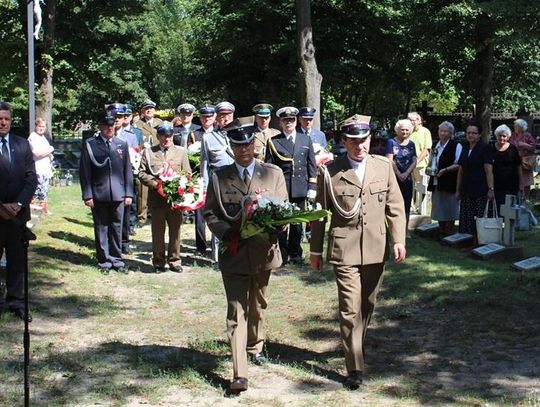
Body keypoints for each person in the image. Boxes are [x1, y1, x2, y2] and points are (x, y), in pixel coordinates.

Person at [310, 115, 406, 390]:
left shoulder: (383, 166)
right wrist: (315, 250)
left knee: (367, 305)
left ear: (370, 141)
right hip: (344, 249)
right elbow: (319, 215)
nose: (359, 146)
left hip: (376, 247)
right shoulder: (330, 171)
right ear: (343, 142)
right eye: (353, 141)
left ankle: (356, 346)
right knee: (350, 309)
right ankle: (355, 367)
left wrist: (398, 240)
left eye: (363, 140)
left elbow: (395, 206)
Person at [204, 117, 288, 393]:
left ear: (255, 144)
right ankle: (239, 373)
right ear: (231, 146)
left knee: (258, 304)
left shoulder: (273, 174)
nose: (243, 150)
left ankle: (255, 344)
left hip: (264, 251)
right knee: (236, 310)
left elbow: (285, 212)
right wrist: (226, 233)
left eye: (248, 144)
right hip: (235, 253)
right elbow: (210, 213)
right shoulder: (219, 177)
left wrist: (273, 225)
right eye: (237, 144)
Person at [79, 112, 134, 273]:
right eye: (106, 125)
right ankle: (104, 261)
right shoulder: (91, 144)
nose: (110, 128)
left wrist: (129, 193)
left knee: (117, 227)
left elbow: (127, 170)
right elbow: (85, 171)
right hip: (99, 193)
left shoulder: (121, 144)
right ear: (100, 127)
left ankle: (117, 260)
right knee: (101, 227)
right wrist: (87, 194)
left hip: (119, 193)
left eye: (112, 125)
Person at [0, 101, 37, 322]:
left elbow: (31, 178)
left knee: (17, 260)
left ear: (11, 121)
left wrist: (19, 204)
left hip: (17, 216)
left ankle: (15, 300)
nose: (2, 123)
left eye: (6, 119)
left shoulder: (22, 145)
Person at [265, 106, 317, 265]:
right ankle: (282, 253)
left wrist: (312, 188)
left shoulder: (305, 139)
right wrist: (269, 189)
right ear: (280, 122)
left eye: (291, 120)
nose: (289, 123)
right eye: (285, 120)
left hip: (300, 187)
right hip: (282, 188)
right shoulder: (274, 141)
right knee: (281, 222)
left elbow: (311, 165)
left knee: (297, 223)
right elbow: (269, 167)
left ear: (296, 121)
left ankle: (295, 253)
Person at [139, 123, 191, 273]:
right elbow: (142, 173)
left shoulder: (181, 152)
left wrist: (179, 186)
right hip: (157, 199)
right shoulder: (149, 152)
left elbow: (187, 173)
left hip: (175, 200)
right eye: (163, 136)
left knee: (175, 231)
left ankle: (175, 260)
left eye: (168, 136)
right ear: (158, 136)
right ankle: (158, 262)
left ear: (172, 136)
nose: (166, 139)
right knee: (157, 232)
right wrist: (155, 184)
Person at [200, 101, 236, 261]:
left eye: (228, 115)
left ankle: (236, 252)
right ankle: (217, 256)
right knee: (218, 219)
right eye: (222, 116)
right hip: (217, 184)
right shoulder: (208, 138)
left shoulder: (240, 135)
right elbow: (205, 164)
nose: (225, 119)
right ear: (216, 118)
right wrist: (205, 189)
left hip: (237, 183)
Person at [455, 121, 494, 236]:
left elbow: (489, 170)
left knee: (479, 215)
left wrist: (491, 188)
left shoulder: (484, 148)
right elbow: (461, 171)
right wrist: (457, 190)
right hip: (466, 188)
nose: (471, 135)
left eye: (474, 133)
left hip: (480, 188)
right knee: (467, 215)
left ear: (479, 135)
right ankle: (466, 239)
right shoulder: (465, 147)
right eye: (468, 133)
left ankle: (479, 240)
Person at [427, 121, 462, 235]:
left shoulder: (456, 145)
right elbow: (432, 161)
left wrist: (445, 170)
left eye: (446, 131)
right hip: (437, 181)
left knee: (450, 208)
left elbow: (459, 164)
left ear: (450, 133)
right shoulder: (436, 145)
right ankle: (441, 231)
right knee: (439, 207)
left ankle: (449, 232)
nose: (443, 133)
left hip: (449, 182)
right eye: (441, 130)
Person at [192, 104, 217, 256]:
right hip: (198, 177)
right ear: (200, 118)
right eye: (203, 117)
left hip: (215, 177)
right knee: (200, 214)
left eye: (209, 116)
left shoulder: (220, 134)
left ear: (214, 118)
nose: (206, 119)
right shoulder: (194, 134)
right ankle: (200, 246)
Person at [135, 99, 163, 228]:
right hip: (144, 157)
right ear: (142, 111)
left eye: (151, 108)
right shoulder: (138, 124)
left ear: (154, 110)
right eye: (146, 108)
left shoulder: (160, 123)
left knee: (160, 185)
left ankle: (159, 212)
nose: (149, 110)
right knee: (143, 189)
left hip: (158, 158)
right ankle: (142, 217)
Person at [385, 119, 417, 234]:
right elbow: (389, 160)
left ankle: (405, 230)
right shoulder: (391, 142)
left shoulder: (412, 144)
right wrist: (399, 174)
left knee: (406, 205)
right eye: (402, 129)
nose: (404, 132)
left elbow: (414, 160)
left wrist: (406, 173)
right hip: (394, 178)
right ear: (397, 130)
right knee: (392, 204)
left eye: (407, 130)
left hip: (407, 179)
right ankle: (393, 229)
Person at [492, 124, 522, 212]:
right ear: (496, 136)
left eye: (504, 136)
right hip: (496, 185)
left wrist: (521, 183)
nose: (501, 138)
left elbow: (519, 166)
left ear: (508, 137)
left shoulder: (513, 149)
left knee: (510, 210)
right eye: (499, 136)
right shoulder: (490, 148)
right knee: (497, 209)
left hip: (511, 184)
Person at [28, 117, 54, 215]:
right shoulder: (33, 137)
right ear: (36, 126)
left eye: (43, 126)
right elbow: (37, 154)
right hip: (38, 169)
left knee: (44, 190)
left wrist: (50, 155)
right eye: (40, 126)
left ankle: (43, 209)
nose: (41, 128)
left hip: (45, 169)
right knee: (36, 191)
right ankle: (33, 209)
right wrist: (50, 149)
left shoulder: (43, 137)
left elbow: (46, 153)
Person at [408, 112, 432, 213]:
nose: (411, 122)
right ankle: (411, 207)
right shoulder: (408, 131)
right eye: (409, 120)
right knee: (410, 186)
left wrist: (417, 161)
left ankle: (420, 209)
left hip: (420, 164)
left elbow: (426, 149)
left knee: (420, 187)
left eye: (412, 120)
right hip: (408, 165)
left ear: (418, 120)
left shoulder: (425, 131)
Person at [510, 119, 536, 201]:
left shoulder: (527, 135)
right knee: (516, 178)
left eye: (516, 126)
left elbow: (533, 147)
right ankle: (518, 197)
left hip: (525, 161)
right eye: (514, 126)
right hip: (515, 160)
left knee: (527, 180)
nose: (515, 127)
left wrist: (525, 145)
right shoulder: (512, 135)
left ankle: (526, 198)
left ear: (521, 127)